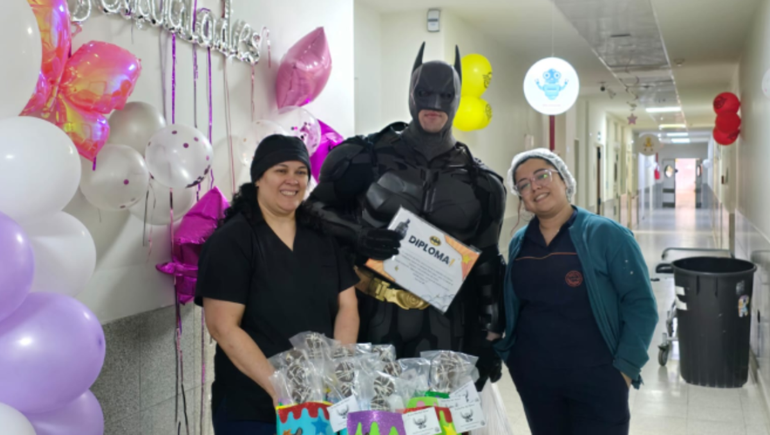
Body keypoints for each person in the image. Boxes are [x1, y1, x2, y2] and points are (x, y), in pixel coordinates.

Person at [305, 42, 506, 390]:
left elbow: (486, 261)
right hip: (368, 313)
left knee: (440, 423)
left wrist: (488, 339)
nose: (434, 105)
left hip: (447, 323)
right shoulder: (361, 157)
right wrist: (357, 235)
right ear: (411, 95)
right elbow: (312, 210)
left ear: (457, 99)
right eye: (424, 93)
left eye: (445, 95)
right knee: (368, 421)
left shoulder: (482, 184)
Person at [195, 135, 360, 435]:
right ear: (259, 177)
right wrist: (281, 389)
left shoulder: (322, 238)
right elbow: (223, 327)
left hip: (320, 407)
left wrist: (340, 372)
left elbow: (347, 306)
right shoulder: (233, 240)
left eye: (300, 172)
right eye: (280, 170)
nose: (292, 180)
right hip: (253, 407)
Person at [494, 149, 659, 435]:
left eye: (542, 175)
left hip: (599, 377)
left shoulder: (606, 234)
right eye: (523, 184)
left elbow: (640, 303)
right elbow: (516, 303)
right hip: (536, 379)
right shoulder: (521, 242)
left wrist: (625, 371)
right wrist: (514, 358)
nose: (534, 186)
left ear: (564, 180)